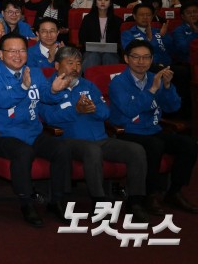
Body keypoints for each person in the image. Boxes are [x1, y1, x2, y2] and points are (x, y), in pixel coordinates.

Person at [37, 47, 149, 222]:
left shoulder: (88, 85)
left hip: (101, 139)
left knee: (136, 150)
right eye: (70, 62)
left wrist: (94, 109)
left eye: (79, 63)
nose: (75, 67)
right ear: (57, 65)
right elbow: (49, 118)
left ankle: (135, 202)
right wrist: (76, 110)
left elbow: (106, 113)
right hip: (70, 141)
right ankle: (99, 201)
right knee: (92, 150)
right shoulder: (48, 88)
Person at [0, 32, 72, 227]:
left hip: (33, 131)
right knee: (24, 152)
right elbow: (1, 101)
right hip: (4, 134)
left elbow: (47, 97)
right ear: (0, 54)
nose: (18, 55)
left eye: (22, 50)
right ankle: (26, 203)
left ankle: (56, 200)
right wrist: (23, 86)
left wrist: (55, 91)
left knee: (62, 149)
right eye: (12, 51)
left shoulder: (35, 72)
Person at [109, 40, 198, 215]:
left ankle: (174, 192)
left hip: (153, 130)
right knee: (154, 146)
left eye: (146, 57)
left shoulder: (154, 78)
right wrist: (152, 90)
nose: (141, 62)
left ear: (151, 59)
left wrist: (166, 86)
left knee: (189, 144)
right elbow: (129, 110)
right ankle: (148, 196)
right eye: (136, 57)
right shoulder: (118, 82)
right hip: (128, 131)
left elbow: (173, 107)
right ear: (126, 59)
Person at [78, 0, 122, 71]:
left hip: (111, 51)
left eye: (106, 0)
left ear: (110, 3)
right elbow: (82, 38)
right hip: (91, 51)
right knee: (93, 56)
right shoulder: (88, 19)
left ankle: (112, 81)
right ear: (95, 3)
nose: (102, 2)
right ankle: (87, 81)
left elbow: (120, 40)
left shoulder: (117, 20)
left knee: (108, 56)